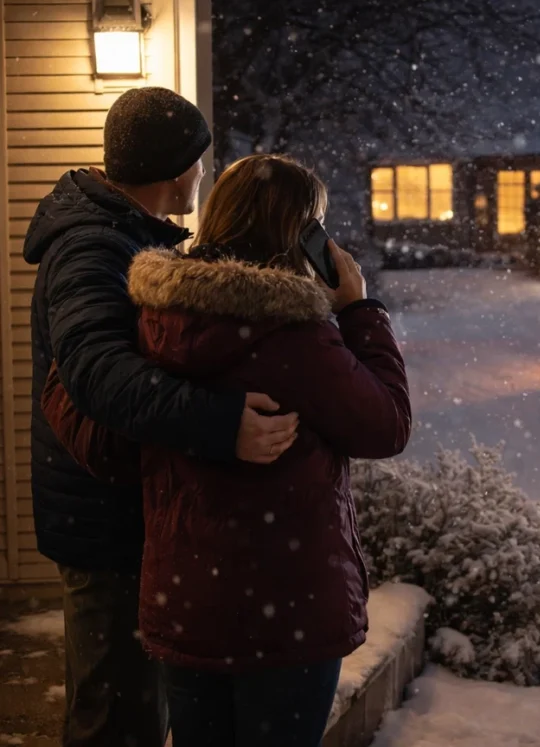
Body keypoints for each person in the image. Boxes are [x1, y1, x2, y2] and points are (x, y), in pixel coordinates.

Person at [42, 153, 412, 746]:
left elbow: (103, 442)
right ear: (298, 235)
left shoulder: (154, 324)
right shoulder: (298, 336)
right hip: (290, 617)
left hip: (188, 607)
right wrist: (360, 310)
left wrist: (79, 382)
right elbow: (387, 426)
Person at [22, 88, 300, 747]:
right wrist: (220, 421)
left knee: (134, 709)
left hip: (115, 513)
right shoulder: (94, 249)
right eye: (199, 160)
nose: (203, 173)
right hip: (102, 523)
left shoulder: (124, 236)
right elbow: (97, 372)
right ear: (177, 169)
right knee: (116, 720)